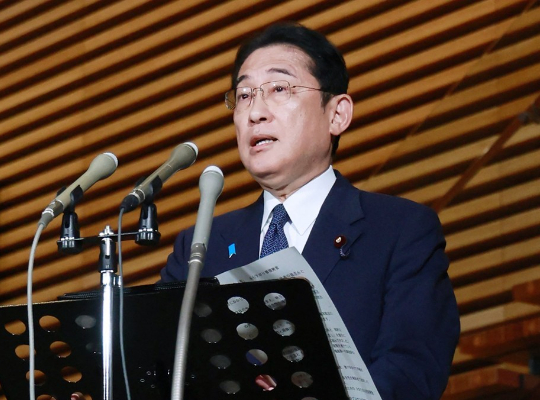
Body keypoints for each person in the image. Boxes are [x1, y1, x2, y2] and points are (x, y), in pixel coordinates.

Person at [160, 22, 459, 399]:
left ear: (337, 115)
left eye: (279, 89)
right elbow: (159, 366)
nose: (255, 113)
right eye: (244, 95)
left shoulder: (400, 230)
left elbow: (411, 371)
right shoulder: (200, 246)